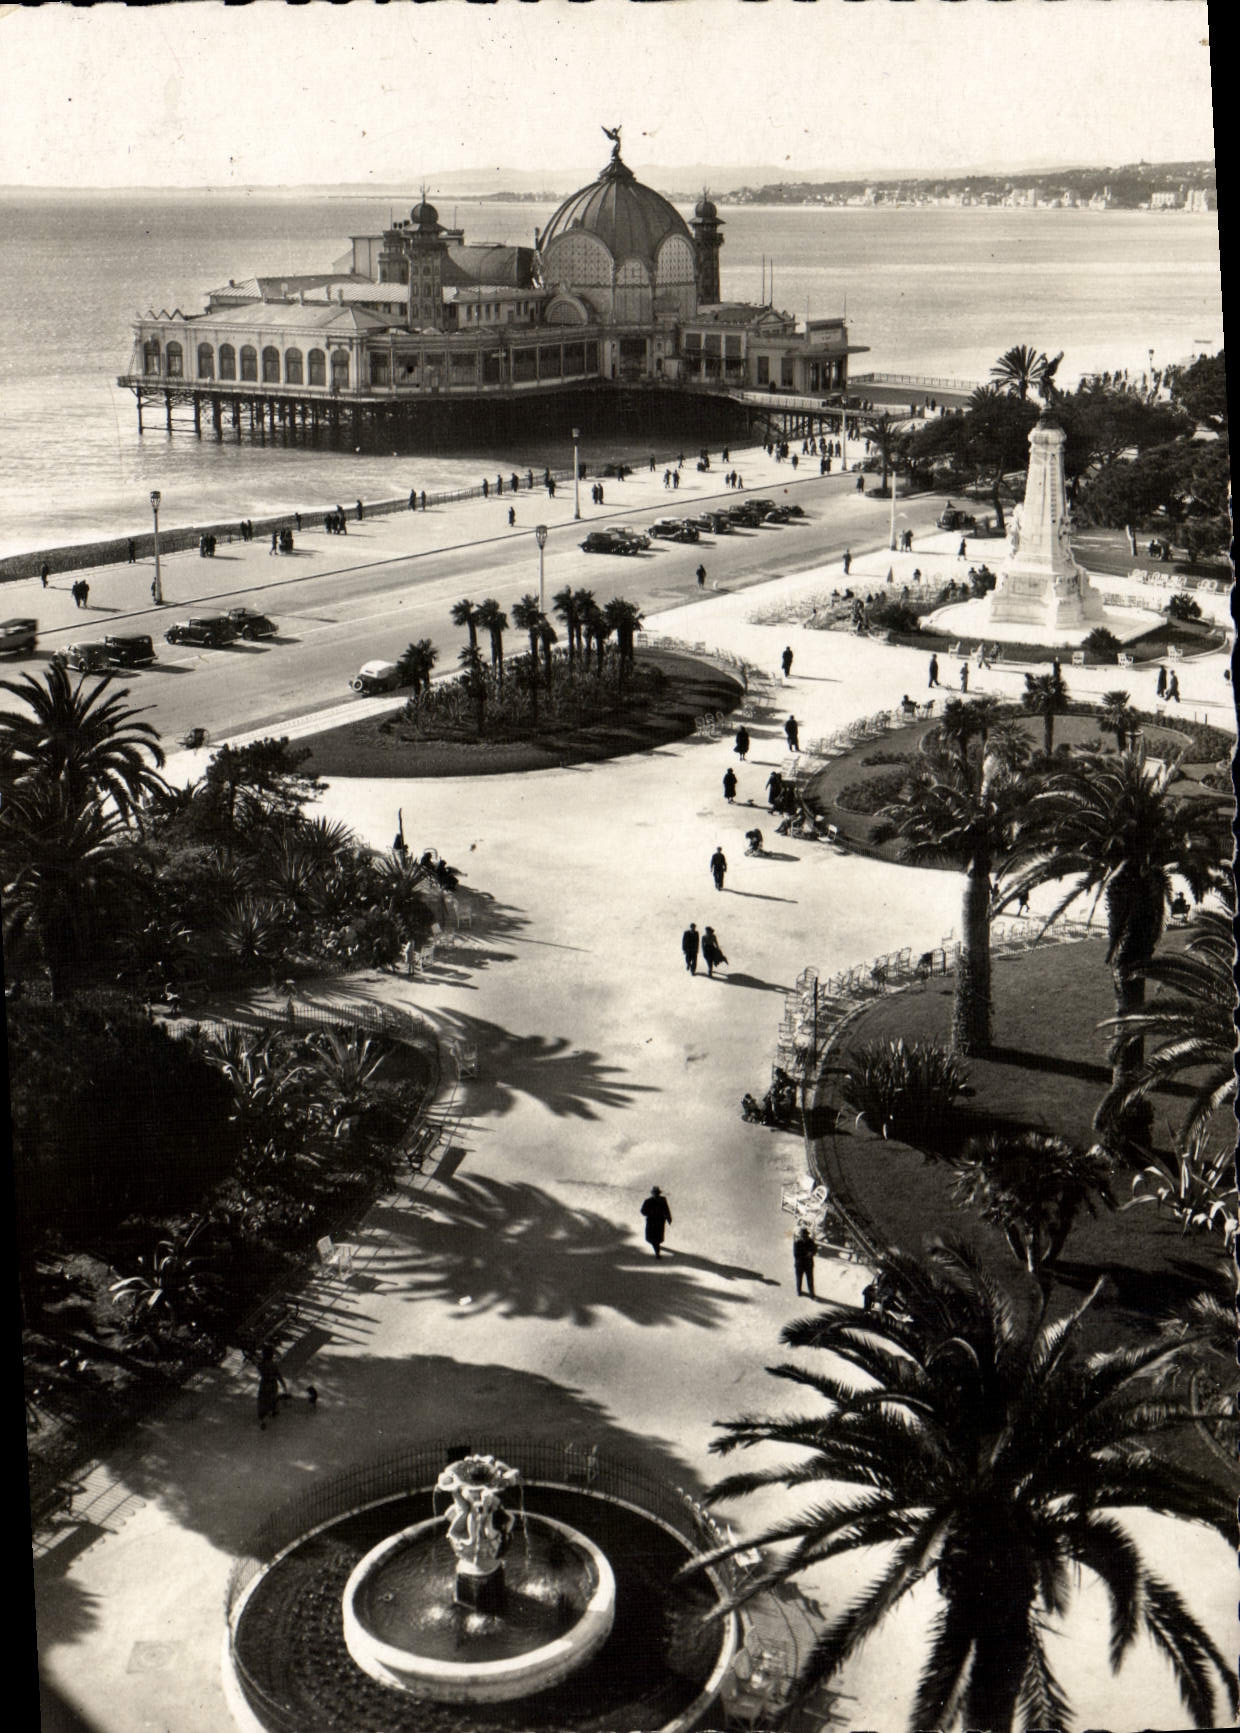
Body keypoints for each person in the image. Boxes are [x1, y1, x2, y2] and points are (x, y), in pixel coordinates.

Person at [256, 1344, 288, 1429]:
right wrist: (284, 1385)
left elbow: (259, 1368)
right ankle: (273, 1411)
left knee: (263, 1399)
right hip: (272, 1384)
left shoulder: (261, 1364)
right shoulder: (273, 1365)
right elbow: (278, 1375)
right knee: (272, 1398)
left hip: (264, 1383)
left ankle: (262, 1417)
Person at [640, 1185, 672, 1258]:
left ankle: (657, 1252)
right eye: (655, 1193)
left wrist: (668, 1218)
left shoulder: (662, 1200)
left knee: (655, 1238)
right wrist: (650, 1213)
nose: (656, 1194)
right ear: (653, 1193)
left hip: (659, 1222)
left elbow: (666, 1209)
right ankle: (656, 1247)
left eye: (657, 1193)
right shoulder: (648, 1201)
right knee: (652, 1238)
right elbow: (642, 1211)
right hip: (652, 1222)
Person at [793, 1226, 817, 1298]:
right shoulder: (797, 1243)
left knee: (810, 1280)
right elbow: (796, 1254)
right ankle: (799, 1291)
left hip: (808, 1264)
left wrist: (811, 1253)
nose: (804, 1237)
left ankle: (811, 1293)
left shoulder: (810, 1242)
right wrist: (807, 1254)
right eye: (803, 1235)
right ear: (800, 1235)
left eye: (805, 1235)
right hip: (800, 1264)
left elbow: (815, 1250)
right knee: (799, 1279)